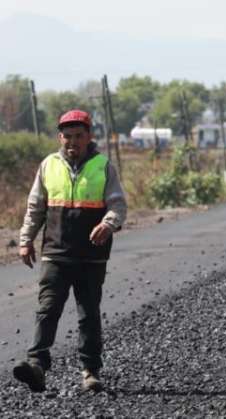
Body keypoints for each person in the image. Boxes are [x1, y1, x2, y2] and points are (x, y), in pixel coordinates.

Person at [13, 109, 127, 392]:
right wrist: (26, 239)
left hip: (92, 256)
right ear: (59, 137)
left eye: (79, 136)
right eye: (67, 137)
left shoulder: (103, 166)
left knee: (88, 314)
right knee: (47, 309)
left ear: (89, 137)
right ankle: (36, 365)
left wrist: (108, 223)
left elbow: (118, 205)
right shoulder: (48, 165)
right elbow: (35, 208)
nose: (72, 142)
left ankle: (90, 372)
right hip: (56, 254)